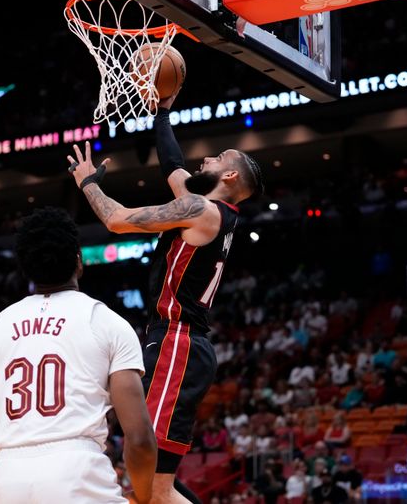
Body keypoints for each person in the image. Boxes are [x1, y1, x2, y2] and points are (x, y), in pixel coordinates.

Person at [67, 89, 264, 504]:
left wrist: (87, 184)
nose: (207, 159)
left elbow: (117, 220)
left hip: (178, 342)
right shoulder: (207, 209)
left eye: (218, 157)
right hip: (177, 343)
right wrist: (161, 111)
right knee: (150, 487)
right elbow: (173, 165)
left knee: (151, 489)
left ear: (229, 177)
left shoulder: (202, 212)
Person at [0, 207, 157, 504]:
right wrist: (145, 498)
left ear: (25, 268)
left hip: (8, 479)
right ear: (78, 263)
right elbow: (140, 439)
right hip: (79, 475)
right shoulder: (107, 323)